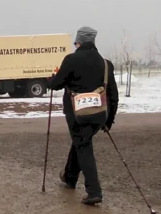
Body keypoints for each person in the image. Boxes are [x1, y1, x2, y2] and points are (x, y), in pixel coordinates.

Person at [48, 26, 119, 205]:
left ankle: (94, 191)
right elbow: (113, 94)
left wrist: (50, 79)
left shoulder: (71, 60)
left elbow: (56, 84)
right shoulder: (105, 64)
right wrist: (108, 120)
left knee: (83, 145)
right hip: (100, 115)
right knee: (81, 142)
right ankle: (70, 178)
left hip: (77, 114)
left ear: (78, 42)